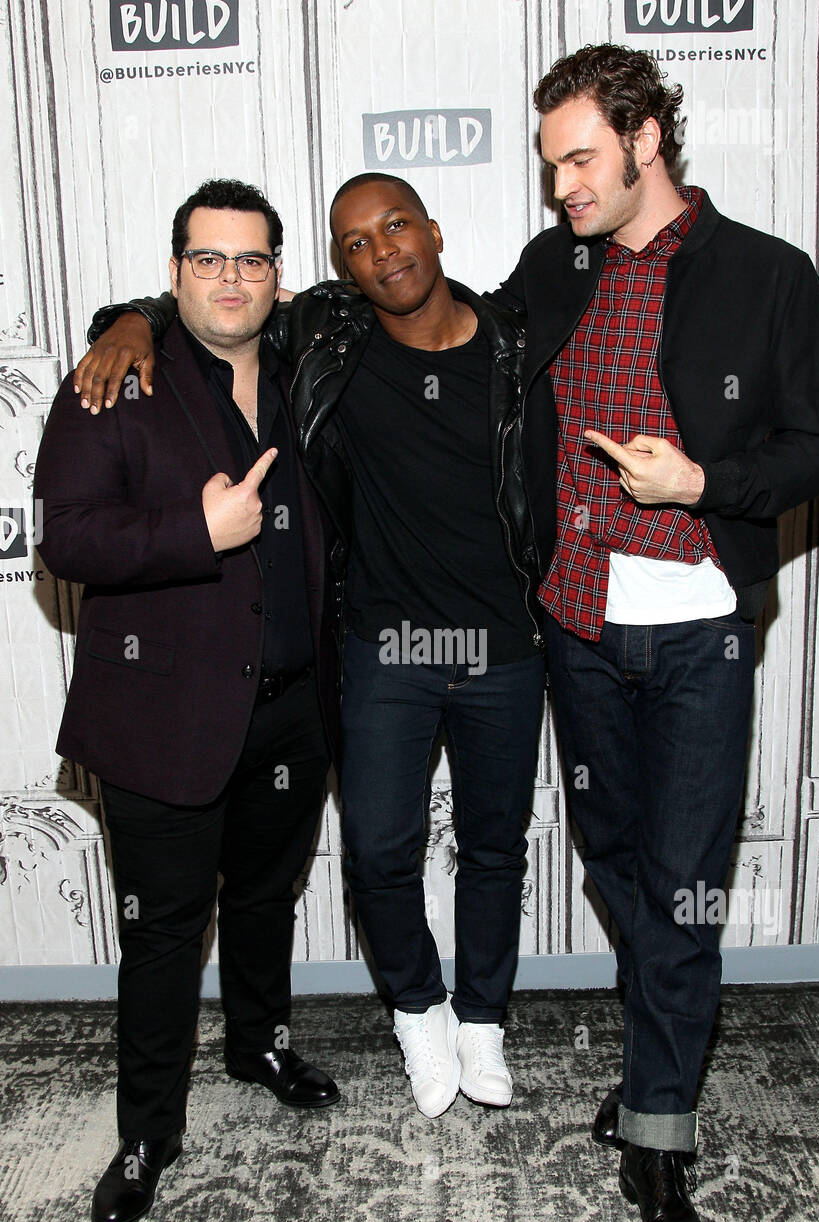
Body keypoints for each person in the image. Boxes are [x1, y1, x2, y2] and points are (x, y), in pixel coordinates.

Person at [71, 173, 552, 1121]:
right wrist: (124, 321)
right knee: (378, 851)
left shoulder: (514, 341)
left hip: (503, 648)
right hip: (381, 650)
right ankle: (418, 1010)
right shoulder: (327, 337)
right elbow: (209, 305)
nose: (384, 252)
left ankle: (483, 1019)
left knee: (495, 848)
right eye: (358, 243)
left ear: (436, 229)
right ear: (339, 267)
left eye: (397, 227)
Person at [489, 44, 819, 1222]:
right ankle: (658, 1055)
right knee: (623, 866)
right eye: (550, 166)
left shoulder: (763, 274)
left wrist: (702, 482)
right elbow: (435, 340)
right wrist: (142, 322)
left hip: (696, 627)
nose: (561, 187)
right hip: (573, 627)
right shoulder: (555, 267)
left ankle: (657, 1137)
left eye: (579, 158)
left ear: (646, 140)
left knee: (685, 884)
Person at [35, 178, 341, 1222]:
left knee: (263, 900)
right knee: (163, 932)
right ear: (173, 275)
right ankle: (147, 1129)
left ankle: (258, 1043)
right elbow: (66, 539)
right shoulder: (117, 381)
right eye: (206, 259)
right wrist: (189, 535)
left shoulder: (313, 366)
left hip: (296, 710)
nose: (229, 278)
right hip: (162, 714)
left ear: (278, 276)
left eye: (250, 259)